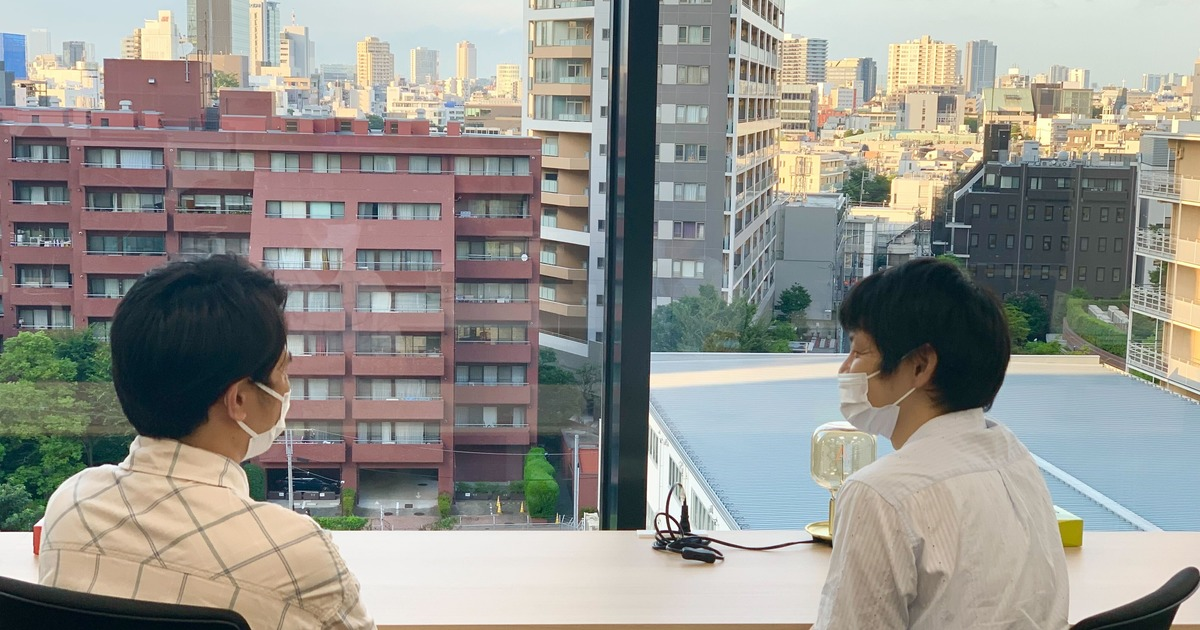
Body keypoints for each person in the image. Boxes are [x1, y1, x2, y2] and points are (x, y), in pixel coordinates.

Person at [39, 255, 375, 630]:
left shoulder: (71, 507)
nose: (286, 387)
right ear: (239, 400)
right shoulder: (297, 558)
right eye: (282, 370)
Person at [814, 258, 1068, 630]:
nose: (845, 369)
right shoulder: (1013, 456)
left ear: (920, 365)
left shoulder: (881, 494)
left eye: (859, 351)